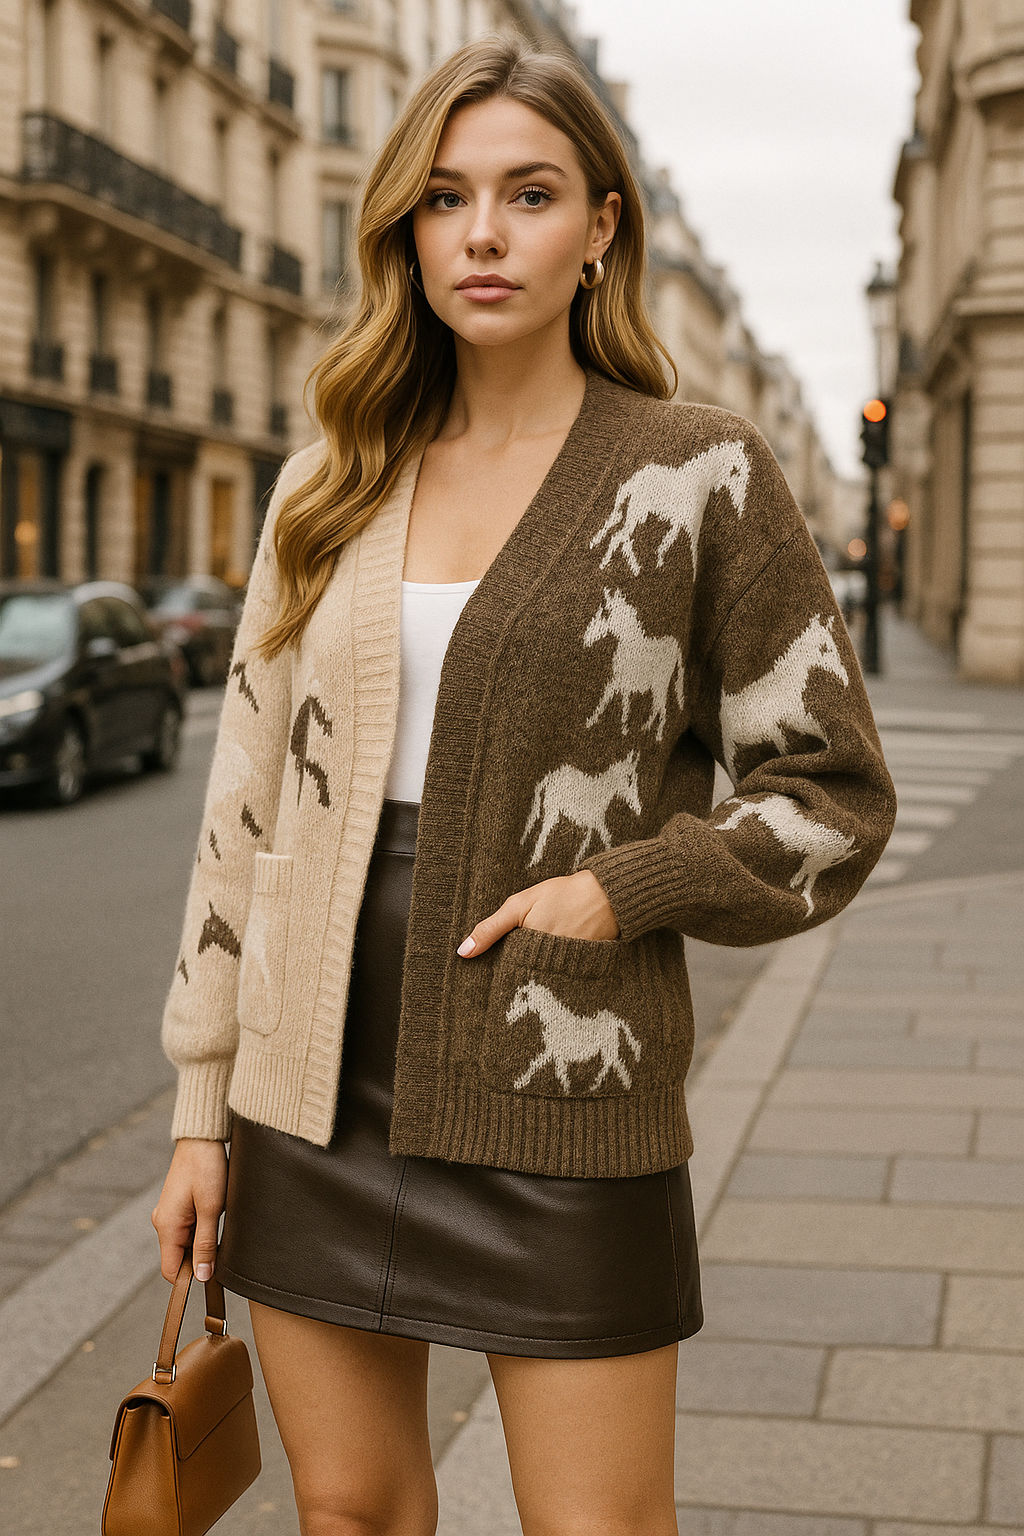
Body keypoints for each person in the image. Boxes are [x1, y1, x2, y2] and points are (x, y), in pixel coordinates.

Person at [152, 36, 895, 1536]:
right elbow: (245, 812)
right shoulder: (328, 479)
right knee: (350, 1513)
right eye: (443, 199)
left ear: (603, 225)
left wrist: (622, 887)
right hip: (311, 1082)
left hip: (562, 1075)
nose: (482, 235)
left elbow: (831, 791)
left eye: (530, 193)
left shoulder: (700, 474)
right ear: (404, 232)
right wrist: (200, 1107)